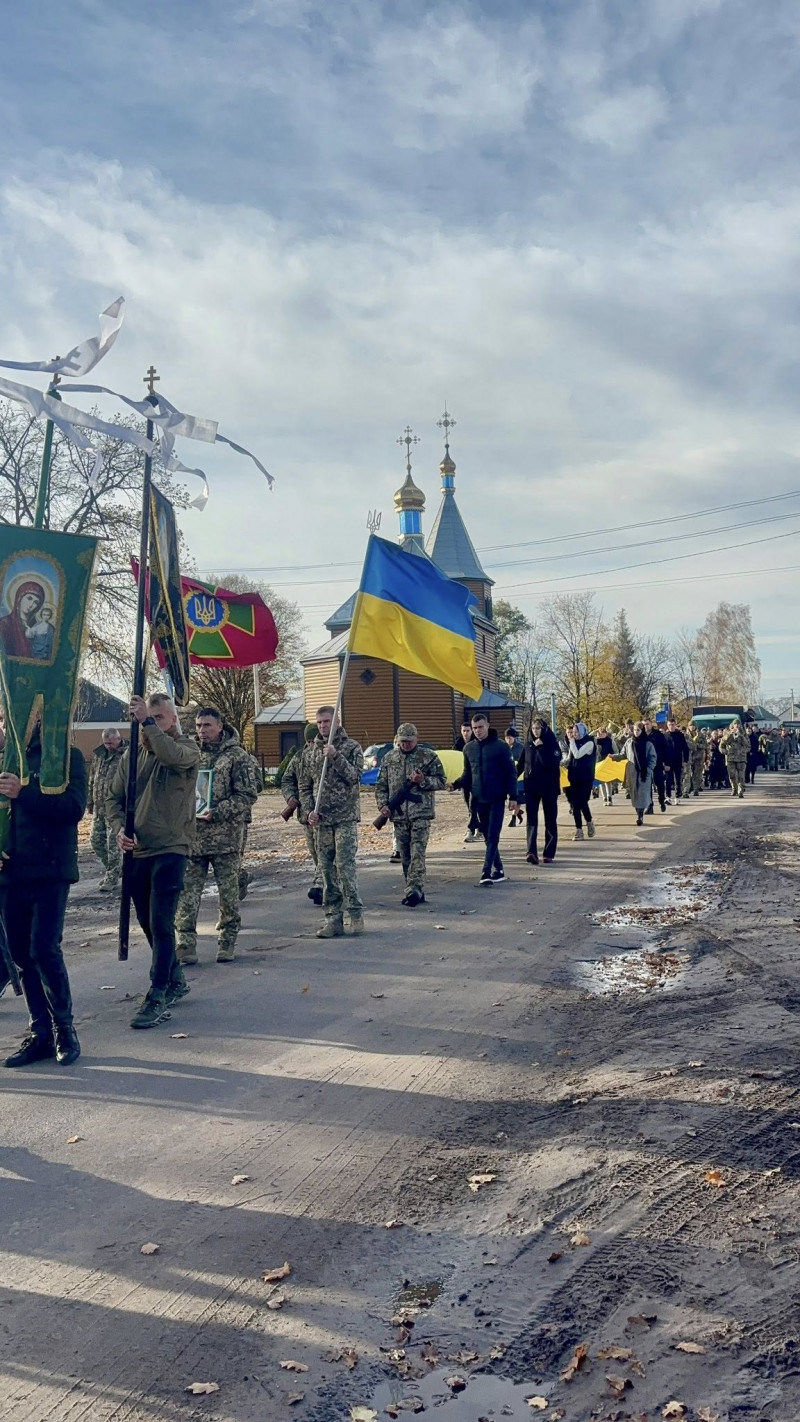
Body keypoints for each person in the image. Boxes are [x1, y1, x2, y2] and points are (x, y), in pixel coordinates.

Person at [107, 693, 200, 1029]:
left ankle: (157, 992)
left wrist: (146, 722)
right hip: (138, 850)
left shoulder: (187, 748)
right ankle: (174, 976)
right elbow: (112, 799)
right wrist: (120, 830)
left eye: (160, 717)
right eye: (149, 716)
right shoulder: (132, 755)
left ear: (172, 720)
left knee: (162, 923)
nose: (152, 722)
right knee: (147, 921)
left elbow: (169, 753)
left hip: (172, 847)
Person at [0, 720, 86, 1068]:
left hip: (50, 868)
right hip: (10, 873)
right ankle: (40, 1035)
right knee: (20, 954)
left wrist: (24, 792)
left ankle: (64, 1030)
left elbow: (73, 808)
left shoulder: (66, 758)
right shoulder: (3, 760)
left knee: (44, 949)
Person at [175, 708, 260, 966]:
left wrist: (219, 811)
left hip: (226, 838)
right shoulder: (190, 754)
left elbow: (247, 795)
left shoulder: (237, 757)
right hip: (194, 838)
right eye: (199, 726)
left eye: (207, 726)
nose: (202, 730)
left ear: (220, 726)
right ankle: (185, 944)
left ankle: (227, 941)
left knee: (228, 895)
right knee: (187, 894)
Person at [299, 705, 365, 938]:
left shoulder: (351, 747)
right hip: (322, 820)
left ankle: (355, 913)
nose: (323, 726)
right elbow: (304, 785)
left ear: (337, 721)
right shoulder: (310, 752)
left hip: (345, 817)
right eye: (319, 723)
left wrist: (336, 757)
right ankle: (333, 919)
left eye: (327, 721)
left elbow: (355, 778)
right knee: (326, 871)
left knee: (344, 867)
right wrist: (309, 811)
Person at [375, 723, 446, 906]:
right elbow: (381, 785)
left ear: (416, 739)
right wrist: (383, 805)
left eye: (409, 741)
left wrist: (423, 781)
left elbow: (441, 781)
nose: (405, 744)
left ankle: (414, 888)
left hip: (420, 813)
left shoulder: (428, 757)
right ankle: (413, 889)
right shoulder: (389, 758)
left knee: (417, 853)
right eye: (402, 741)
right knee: (405, 855)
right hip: (398, 816)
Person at [457, 712, 518, 886]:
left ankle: (486, 871)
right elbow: (467, 774)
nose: (477, 731)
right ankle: (498, 870)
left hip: (497, 798)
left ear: (488, 725)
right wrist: (455, 784)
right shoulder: (469, 749)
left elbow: (510, 773)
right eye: (474, 728)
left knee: (493, 836)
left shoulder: (500, 747)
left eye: (480, 727)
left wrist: (513, 797)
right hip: (478, 799)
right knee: (487, 837)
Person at [281, 723, 324, 904]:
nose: (310, 744)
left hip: (325, 815)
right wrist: (290, 798)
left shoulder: (326, 756)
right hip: (306, 815)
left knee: (325, 853)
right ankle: (325, 883)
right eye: (307, 740)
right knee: (315, 853)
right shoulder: (299, 758)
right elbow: (286, 779)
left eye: (313, 740)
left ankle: (320, 885)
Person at [87, 727, 126, 892]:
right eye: (106, 742)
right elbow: (92, 777)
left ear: (119, 739)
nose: (108, 746)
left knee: (113, 846)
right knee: (96, 841)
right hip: (99, 807)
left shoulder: (127, 755)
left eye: (111, 742)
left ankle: (111, 877)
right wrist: (89, 801)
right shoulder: (99, 755)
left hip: (115, 808)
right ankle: (117, 869)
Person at [519, 715, 561, 864]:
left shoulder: (552, 743)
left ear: (544, 729)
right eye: (534, 728)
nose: (536, 731)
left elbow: (551, 762)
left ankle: (549, 852)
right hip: (531, 786)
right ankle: (531, 851)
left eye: (539, 728)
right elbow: (521, 764)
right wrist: (510, 779)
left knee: (550, 819)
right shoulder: (528, 744)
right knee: (532, 820)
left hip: (549, 787)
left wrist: (541, 747)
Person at [563, 722, 597, 841]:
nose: (574, 734)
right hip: (574, 777)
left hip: (585, 778)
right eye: (573, 732)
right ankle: (579, 830)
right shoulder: (574, 743)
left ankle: (589, 821)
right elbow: (570, 758)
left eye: (576, 732)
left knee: (582, 802)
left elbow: (577, 755)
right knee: (575, 804)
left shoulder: (589, 742)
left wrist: (571, 741)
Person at [623, 721, 657, 826]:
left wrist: (649, 769)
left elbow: (652, 757)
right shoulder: (629, 742)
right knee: (635, 794)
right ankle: (638, 812)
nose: (636, 732)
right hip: (632, 772)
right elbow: (623, 754)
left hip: (644, 773)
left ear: (642, 731)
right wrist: (613, 757)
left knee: (642, 793)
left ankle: (640, 815)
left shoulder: (648, 743)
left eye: (638, 730)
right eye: (635, 730)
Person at [454, 722, 482, 843]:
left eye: (468, 730)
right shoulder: (458, 744)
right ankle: (476, 827)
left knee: (475, 804)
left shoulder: (477, 744)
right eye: (463, 731)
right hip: (464, 779)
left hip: (476, 779)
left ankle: (473, 829)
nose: (466, 733)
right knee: (468, 805)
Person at [643, 717, 668, 813]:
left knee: (660, 783)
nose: (646, 726)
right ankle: (649, 806)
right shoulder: (642, 735)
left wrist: (666, 763)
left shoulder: (658, 735)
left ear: (651, 724)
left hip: (658, 763)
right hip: (646, 764)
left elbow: (665, 749)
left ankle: (662, 800)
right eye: (644, 724)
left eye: (647, 724)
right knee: (647, 785)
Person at [664, 718, 690, 805]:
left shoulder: (680, 735)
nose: (671, 726)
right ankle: (668, 797)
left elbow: (685, 748)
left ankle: (677, 796)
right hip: (668, 762)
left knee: (678, 780)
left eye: (673, 725)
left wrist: (685, 760)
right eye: (669, 725)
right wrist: (663, 763)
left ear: (675, 725)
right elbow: (661, 750)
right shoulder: (664, 736)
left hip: (678, 761)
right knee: (668, 780)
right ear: (667, 726)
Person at [721, 721, 747, 799]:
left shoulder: (744, 734)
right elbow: (723, 744)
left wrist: (741, 736)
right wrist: (730, 734)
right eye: (735, 724)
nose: (737, 726)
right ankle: (734, 789)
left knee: (741, 776)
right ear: (732, 726)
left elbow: (747, 745)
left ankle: (740, 791)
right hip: (730, 758)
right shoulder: (728, 733)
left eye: (738, 724)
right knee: (732, 775)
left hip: (741, 758)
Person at [504, 727, 525, 826]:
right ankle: (517, 812)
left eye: (510, 737)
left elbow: (523, 761)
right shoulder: (503, 747)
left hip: (519, 776)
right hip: (507, 776)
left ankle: (513, 819)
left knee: (518, 796)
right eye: (506, 738)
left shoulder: (520, 748)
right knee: (509, 799)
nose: (508, 740)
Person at [595, 724, 616, 806]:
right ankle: (604, 798)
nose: (601, 734)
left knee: (608, 781)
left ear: (606, 733)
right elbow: (589, 736)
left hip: (607, 761)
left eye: (603, 733)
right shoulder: (596, 741)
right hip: (599, 762)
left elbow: (615, 750)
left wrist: (614, 758)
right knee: (601, 781)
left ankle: (609, 797)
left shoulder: (610, 740)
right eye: (600, 733)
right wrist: (596, 733)